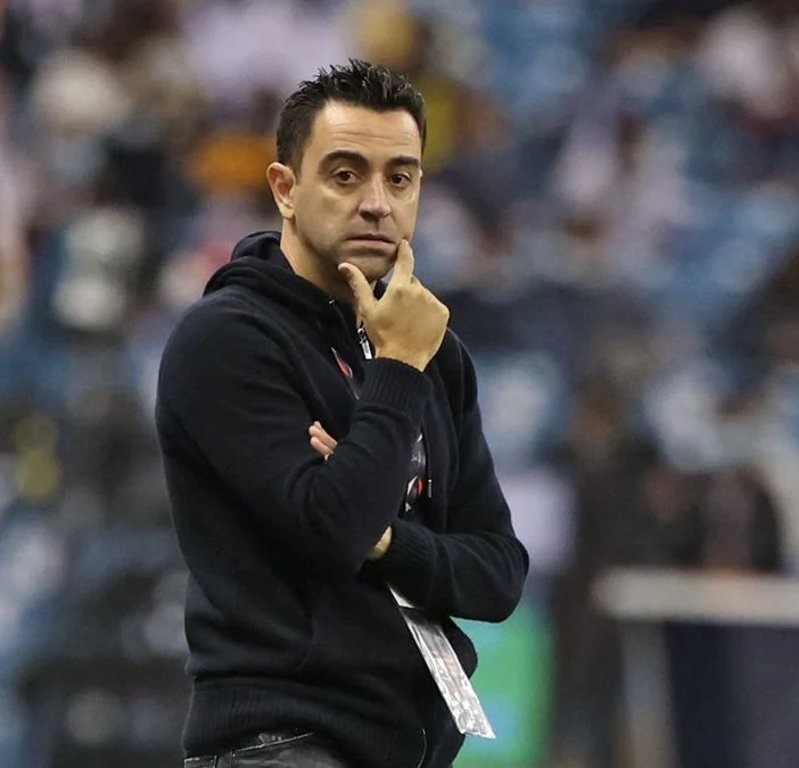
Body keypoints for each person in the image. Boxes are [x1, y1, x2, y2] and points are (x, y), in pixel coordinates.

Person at [155, 60, 529, 767]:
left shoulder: (433, 351)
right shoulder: (228, 338)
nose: (377, 204)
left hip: (404, 748)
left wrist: (387, 542)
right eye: (346, 175)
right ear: (285, 189)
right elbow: (332, 532)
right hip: (282, 744)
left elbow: (499, 573)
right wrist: (396, 371)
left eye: (400, 178)